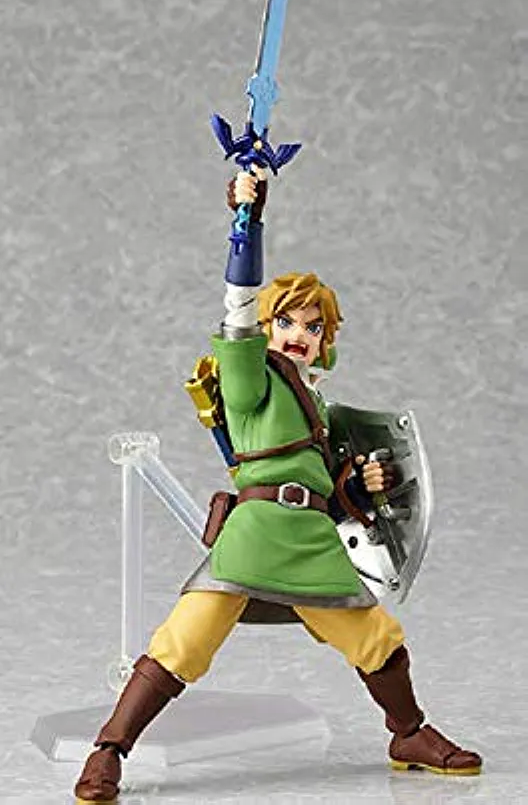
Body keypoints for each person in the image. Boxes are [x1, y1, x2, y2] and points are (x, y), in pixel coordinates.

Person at [74, 169, 481, 803]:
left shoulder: (318, 408)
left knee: (376, 638)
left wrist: (360, 485)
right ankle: (109, 750)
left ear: (326, 343)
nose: (299, 335)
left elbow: (330, 488)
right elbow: (238, 306)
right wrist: (248, 224)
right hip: (254, 535)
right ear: (267, 330)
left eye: (314, 328)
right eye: (286, 321)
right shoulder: (251, 381)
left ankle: (408, 734)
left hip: (312, 541)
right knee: (182, 643)